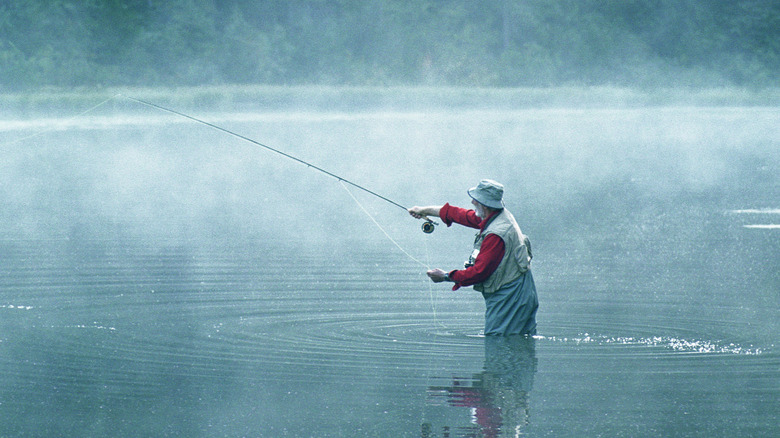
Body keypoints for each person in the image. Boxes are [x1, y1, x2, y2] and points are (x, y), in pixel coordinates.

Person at [408, 179, 538, 336]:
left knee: (498, 340)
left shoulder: (496, 235)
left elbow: (479, 272)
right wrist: (425, 210)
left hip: (510, 296)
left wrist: (445, 276)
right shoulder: (497, 216)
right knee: (519, 343)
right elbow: (462, 215)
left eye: (475, 200)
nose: (472, 202)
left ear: (484, 205)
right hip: (521, 290)